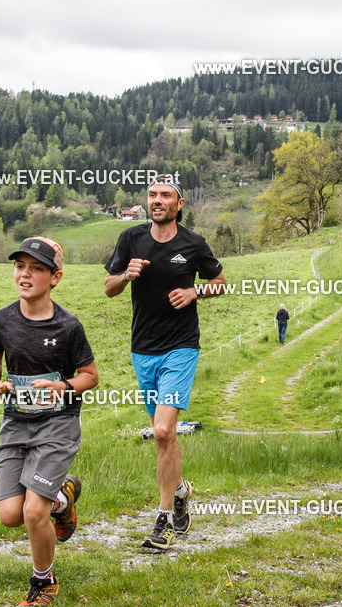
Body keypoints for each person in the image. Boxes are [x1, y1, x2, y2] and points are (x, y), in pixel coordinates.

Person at [104, 174, 226, 550]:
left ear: (179, 203)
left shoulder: (193, 244)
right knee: (165, 435)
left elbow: (220, 282)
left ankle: (163, 520)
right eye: (153, 195)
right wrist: (127, 275)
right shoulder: (131, 239)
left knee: (161, 430)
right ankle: (181, 490)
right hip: (143, 349)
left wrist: (194, 291)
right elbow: (109, 287)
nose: (158, 200)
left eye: (166, 196)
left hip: (181, 347)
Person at [0, 236, 99, 606]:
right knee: (10, 515)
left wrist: (63, 386)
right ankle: (63, 499)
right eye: (19, 266)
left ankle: (43, 583)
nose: (25, 274)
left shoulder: (68, 326)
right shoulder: (1, 320)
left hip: (57, 425)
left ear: (55, 277)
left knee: (34, 512)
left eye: (36, 268)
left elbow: (90, 376)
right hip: (16, 424)